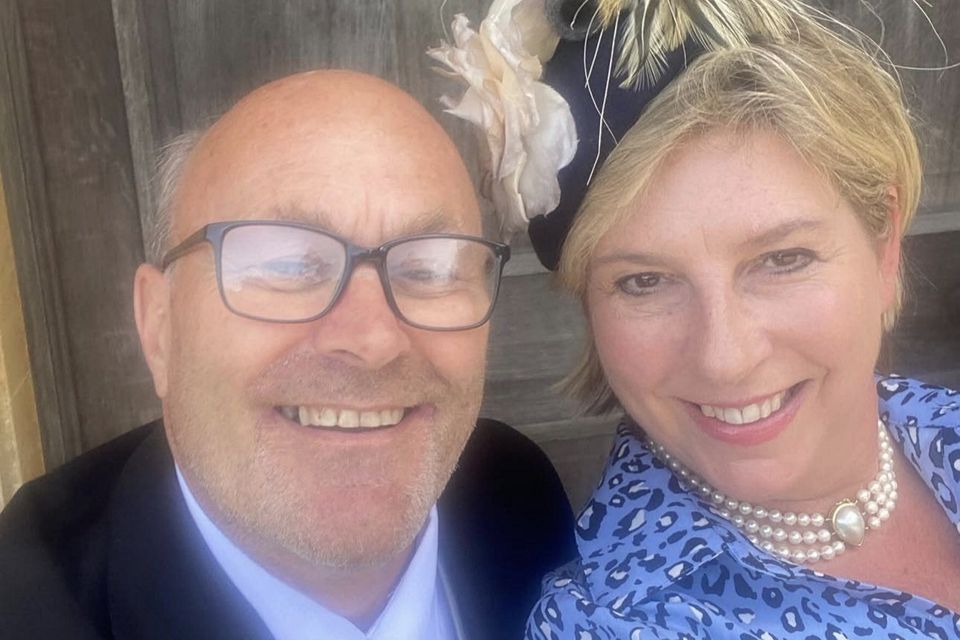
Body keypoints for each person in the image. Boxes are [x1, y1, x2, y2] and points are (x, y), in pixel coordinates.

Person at [435, 1, 959, 637]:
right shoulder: (609, 623)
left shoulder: (939, 423)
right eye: (644, 281)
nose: (725, 358)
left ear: (885, 248)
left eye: (783, 259)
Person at [0, 70, 576, 639]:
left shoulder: (516, 493)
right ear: (159, 327)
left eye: (430, 269)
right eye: (287, 265)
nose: (372, 340)